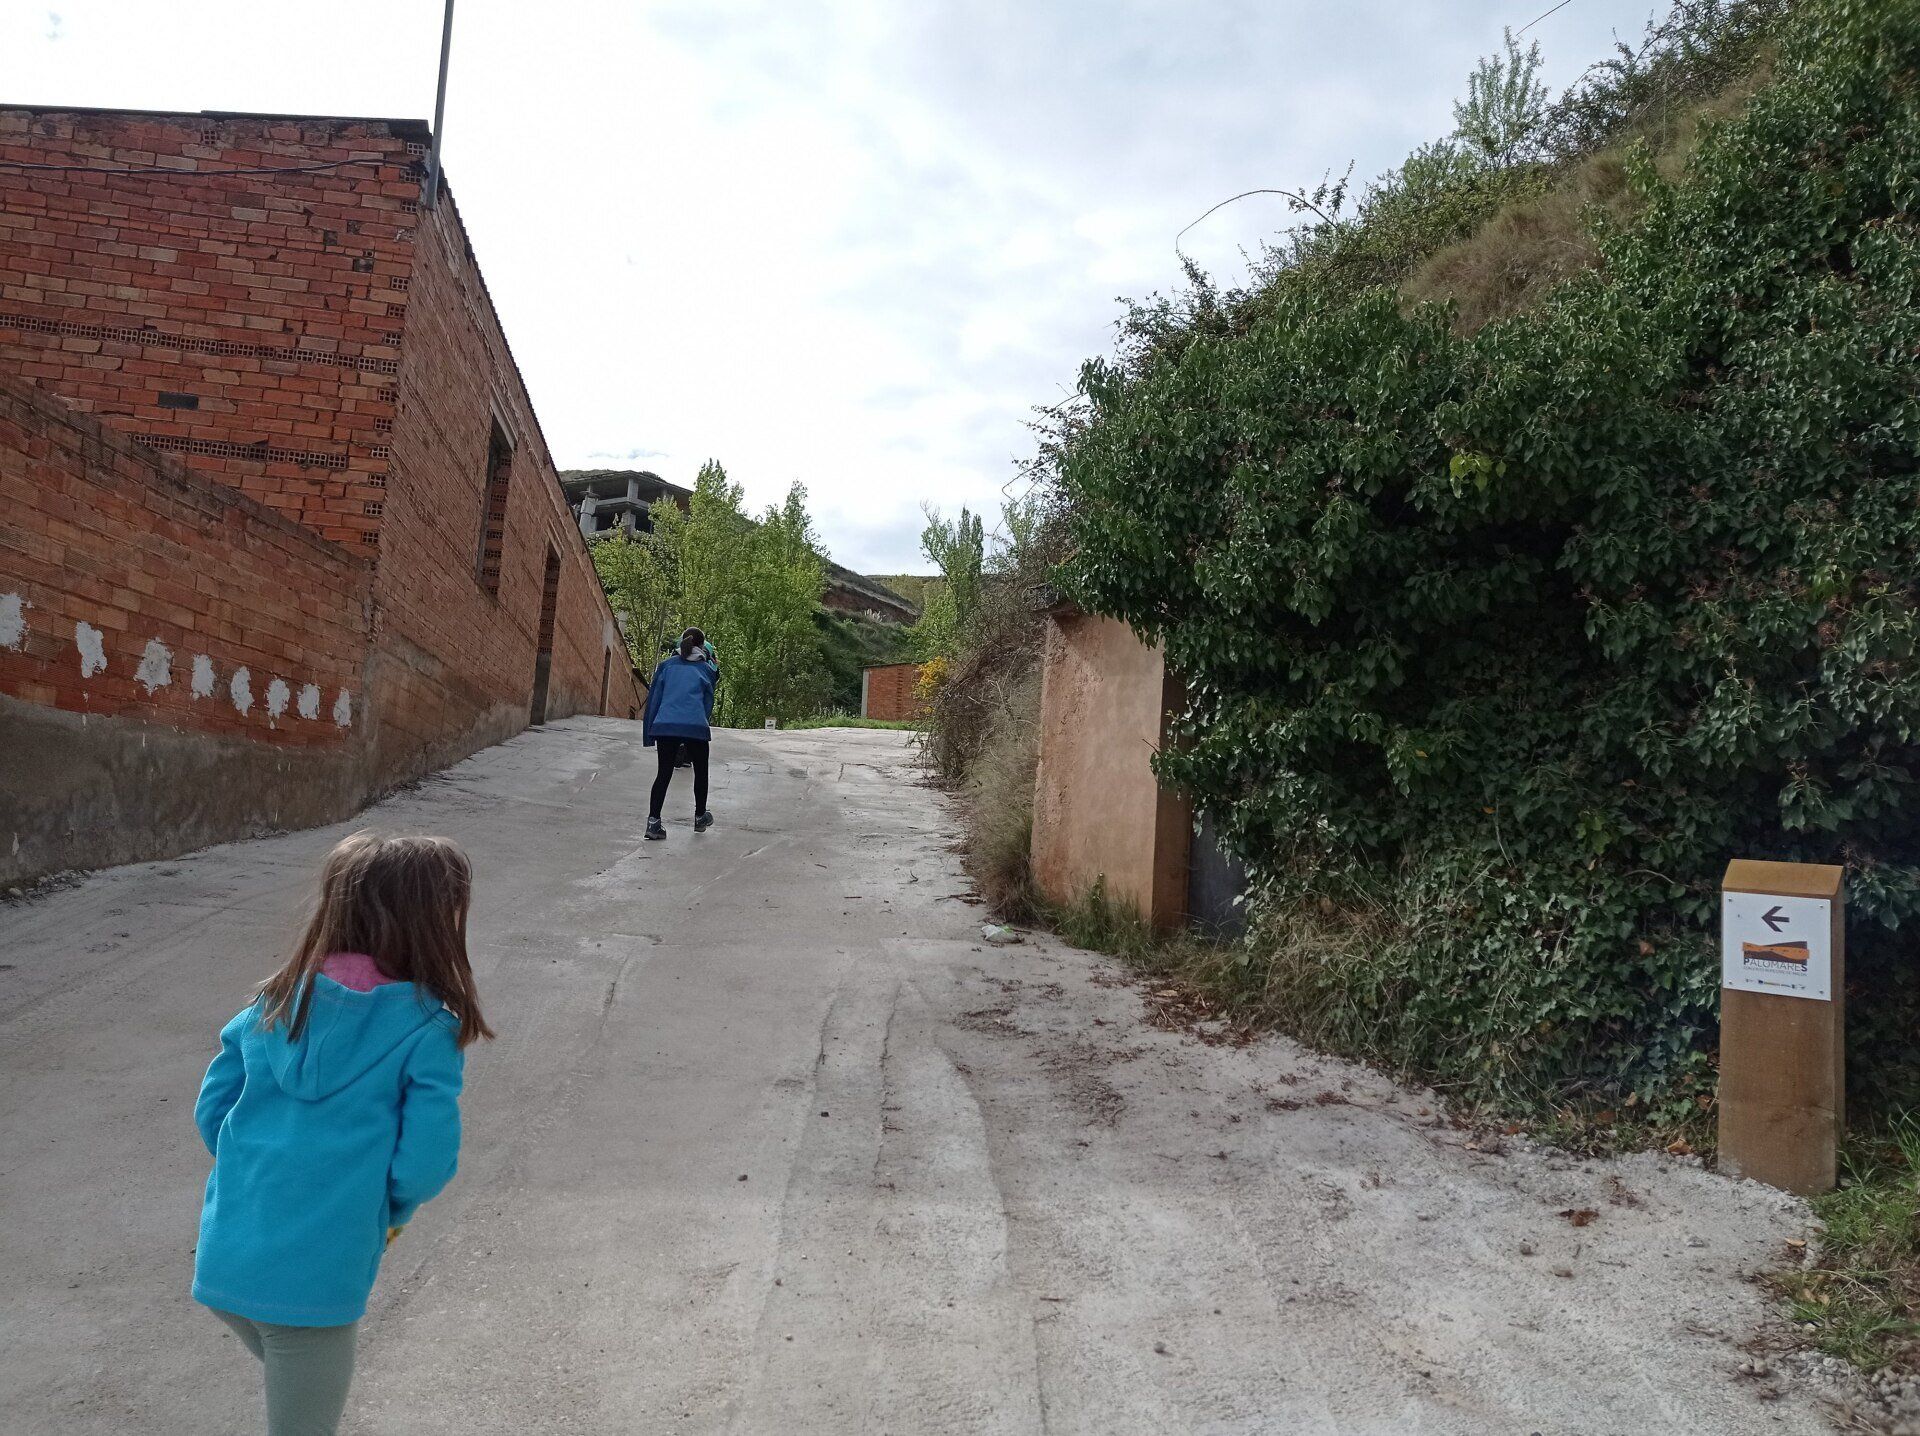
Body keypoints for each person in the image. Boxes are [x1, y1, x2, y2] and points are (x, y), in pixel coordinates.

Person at [192, 833, 493, 1436]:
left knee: (291, 1373)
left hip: (229, 1251)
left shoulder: (272, 1001)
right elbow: (427, 1162)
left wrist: (259, 1167)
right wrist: (388, 1205)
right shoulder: (428, 1028)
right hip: (322, 1269)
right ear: (435, 924)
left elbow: (212, 1110)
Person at [643, 626, 717, 839]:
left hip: (666, 725)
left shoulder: (665, 666)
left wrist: (650, 732)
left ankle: (653, 822)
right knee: (701, 771)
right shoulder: (706, 670)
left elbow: (654, 700)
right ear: (702, 646)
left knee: (664, 773)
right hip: (695, 725)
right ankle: (700, 816)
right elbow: (707, 703)